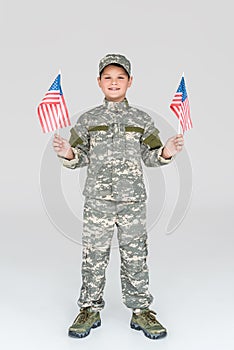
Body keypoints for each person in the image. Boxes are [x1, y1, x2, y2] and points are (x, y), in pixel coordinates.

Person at [53, 53, 184, 340]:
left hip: (132, 202)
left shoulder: (141, 119)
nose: (114, 82)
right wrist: (68, 153)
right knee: (93, 257)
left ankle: (141, 311)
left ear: (130, 82)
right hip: (98, 201)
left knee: (136, 256)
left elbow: (151, 156)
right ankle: (89, 308)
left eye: (120, 77)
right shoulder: (88, 120)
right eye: (108, 77)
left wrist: (166, 152)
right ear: (99, 82)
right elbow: (80, 156)